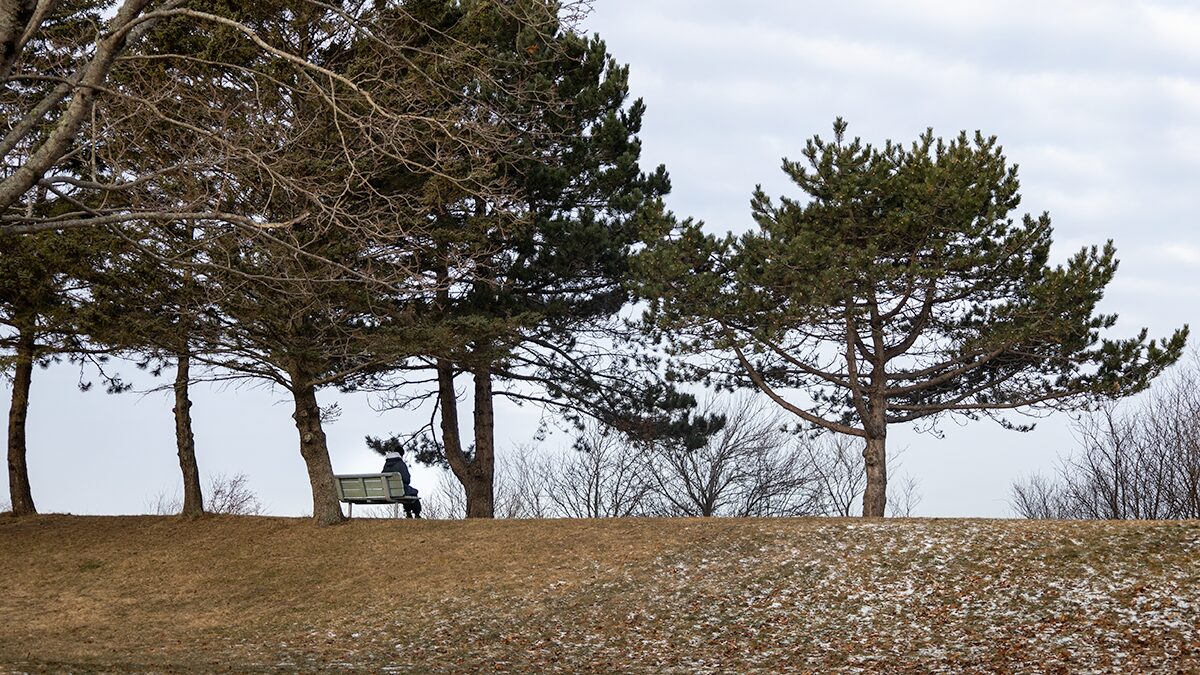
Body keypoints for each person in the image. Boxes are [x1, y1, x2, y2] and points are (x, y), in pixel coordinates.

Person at [381, 449, 421, 518]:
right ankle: (416, 514)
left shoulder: (386, 464)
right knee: (413, 492)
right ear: (401, 455)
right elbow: (407, 480)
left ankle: (409, 513)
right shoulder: (401, 464)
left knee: (405, 491)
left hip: (387, 491)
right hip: (399, 491)